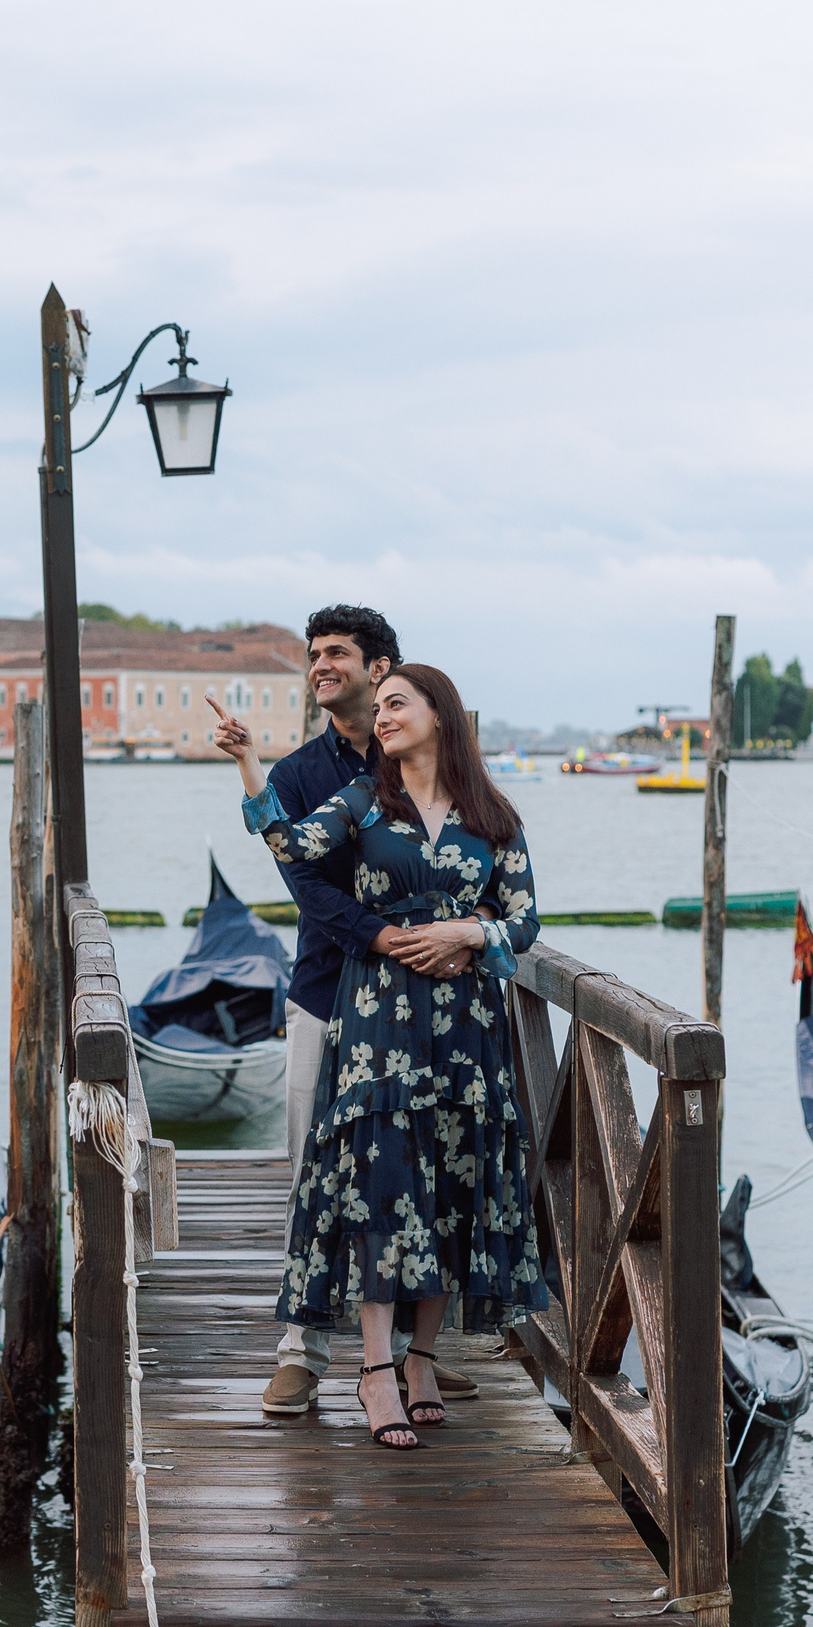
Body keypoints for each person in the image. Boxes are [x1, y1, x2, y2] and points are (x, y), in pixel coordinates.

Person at [221, 661, 549, 1448]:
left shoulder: (493, 816)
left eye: (399, 703)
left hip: (469, 1025)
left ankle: (424, 1358)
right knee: (382, 1175)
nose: (385, 714)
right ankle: (375, 1369)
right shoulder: (366, 800)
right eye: (384, 705)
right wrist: (246, 763)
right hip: (379, 1016)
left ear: (442, 715)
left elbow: (525, 920)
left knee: (452, 1176)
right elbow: (293, 846)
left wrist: (471, 933)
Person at [204, 606, 475, 1419]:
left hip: (422, 1008)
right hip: (327, 992)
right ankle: (302, 1351)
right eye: (313, 655)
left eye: (336, 654)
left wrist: (467, 935)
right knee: (311, 1172)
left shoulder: (425, 759)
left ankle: (402, 1361)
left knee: (417, 1173)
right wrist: (387, 936)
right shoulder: (297, 775)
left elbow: (473, 865)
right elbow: (305, 885)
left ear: (381, 666)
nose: (320, 666)